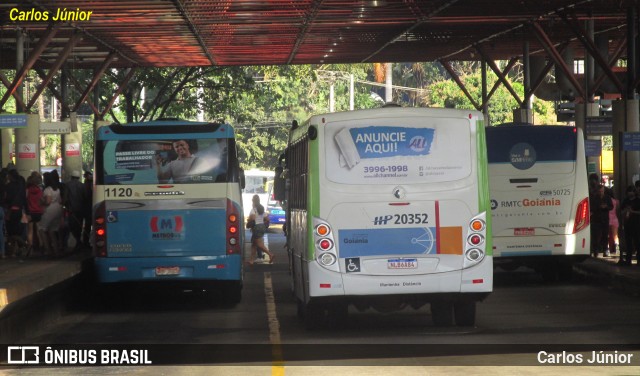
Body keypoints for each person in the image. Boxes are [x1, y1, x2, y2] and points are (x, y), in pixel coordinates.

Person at [38, 172, 64, 256]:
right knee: (52, 230)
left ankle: (47, 249)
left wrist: (42, 201)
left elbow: (48, 201)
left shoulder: (48, 189)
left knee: (42, 229)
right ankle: (56, 250)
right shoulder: (57, 189)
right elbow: (60, 201)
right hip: (58, 209)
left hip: (50, 210)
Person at [4, 169, 27, 255]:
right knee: (17, 231)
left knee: (11, 232)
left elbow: (6, 199)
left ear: (10, 176)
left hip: (11, 211)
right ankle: (16, 249)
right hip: (19, 210)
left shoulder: (8, 186)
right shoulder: (21, 186)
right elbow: (24, 199)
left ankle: (24, 246)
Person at [247, 194, 275, 265]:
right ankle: (251, 260)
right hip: (262, 227)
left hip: (256, 228)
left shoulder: (253, 210)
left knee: (259, 244)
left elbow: (253, 219)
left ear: (253, 201)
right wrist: (263, 222)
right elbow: (267, 219)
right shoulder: (261, 209)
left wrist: (249, 219)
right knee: (254, 244)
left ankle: (270, 254)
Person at [63, 170, 86, 252]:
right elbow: (85, 198)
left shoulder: (67, 185)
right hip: (81, 209)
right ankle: (79, 242)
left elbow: (65, 197)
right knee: (79, 226)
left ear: (71, 177)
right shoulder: (82, 186)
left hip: (71, 210)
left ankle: (78, 242)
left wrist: (64, 205)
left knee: (71, 226)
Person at [589, 184, 612, 257]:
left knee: (605, 235)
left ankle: (605, 249)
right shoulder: (595, 198)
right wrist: (599, 207)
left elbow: (611, 206)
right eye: (600, 191)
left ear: (604, 190)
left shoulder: (607, 198)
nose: (601, 192)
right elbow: (592, 207)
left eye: (602, 191)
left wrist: (606, 207)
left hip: (605, 219)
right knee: (596, 236)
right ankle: (596, 250)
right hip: (597, 219)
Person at [620, 185, 640, 265]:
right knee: (628, 242)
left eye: (631, 191)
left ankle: (638, 259)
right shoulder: (625, 201)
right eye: (629, 192)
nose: (630, 193)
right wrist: (625, 211)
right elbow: (621, 211)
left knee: (637, 242)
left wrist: (632, 211)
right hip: (627, 223)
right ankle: (628, 259)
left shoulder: (638, 200)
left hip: (636, 224)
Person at [25, 172, 44, 253]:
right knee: (39, 230)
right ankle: (41, 245)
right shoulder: (40, 190)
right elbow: (42, 200)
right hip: (39, 212)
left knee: (30, 231)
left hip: (30, 212)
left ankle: (30, 247)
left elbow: (25, 200)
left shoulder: (28, 190)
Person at [606, 188, 620, 257]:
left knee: (607, 235)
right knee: (615, 235)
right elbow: (617, 211)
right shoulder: (616, 201)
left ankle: (607, 249)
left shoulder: (606, 201)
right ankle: (617, 248)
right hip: (614, 218)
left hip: (607, 218)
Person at [81, 171, 93, 248]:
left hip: (87, 208)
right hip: (90, 207)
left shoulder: (84, 186)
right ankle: (87, 242)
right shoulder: (91, 186)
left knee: (87, 226)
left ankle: (86, 242)